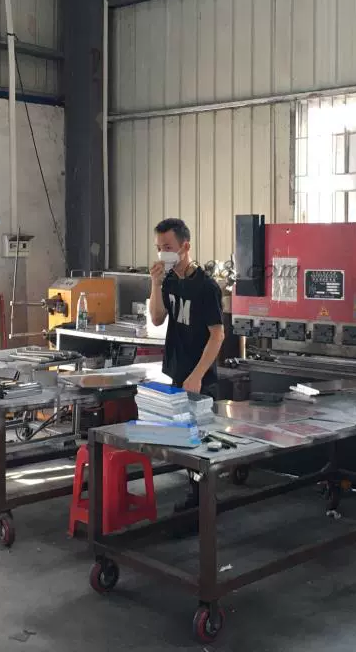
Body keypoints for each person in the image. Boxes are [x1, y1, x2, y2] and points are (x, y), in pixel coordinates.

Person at [149, 218, 225, 512]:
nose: (163, 253)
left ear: (185, 246)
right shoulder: (168, 280)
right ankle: (197, 501)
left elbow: (217, 335)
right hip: (177, 373)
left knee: (201, 444)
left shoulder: (206, 287)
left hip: (199, 378)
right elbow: (157, 318)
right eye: (159, 247)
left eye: (168, 247)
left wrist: (197, 375)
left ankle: (205, 506)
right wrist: (155, 283)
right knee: (184, 441)